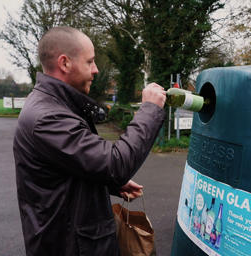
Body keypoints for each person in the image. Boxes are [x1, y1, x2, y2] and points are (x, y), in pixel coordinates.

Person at [13, 26, 166, 256]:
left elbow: (69, 167)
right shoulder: (49, 117)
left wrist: (110, 183)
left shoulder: (54, 106)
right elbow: (116, 164)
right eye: (90, 62)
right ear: (65, 63)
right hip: (69, 247)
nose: (95, 70)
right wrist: (150, 110)